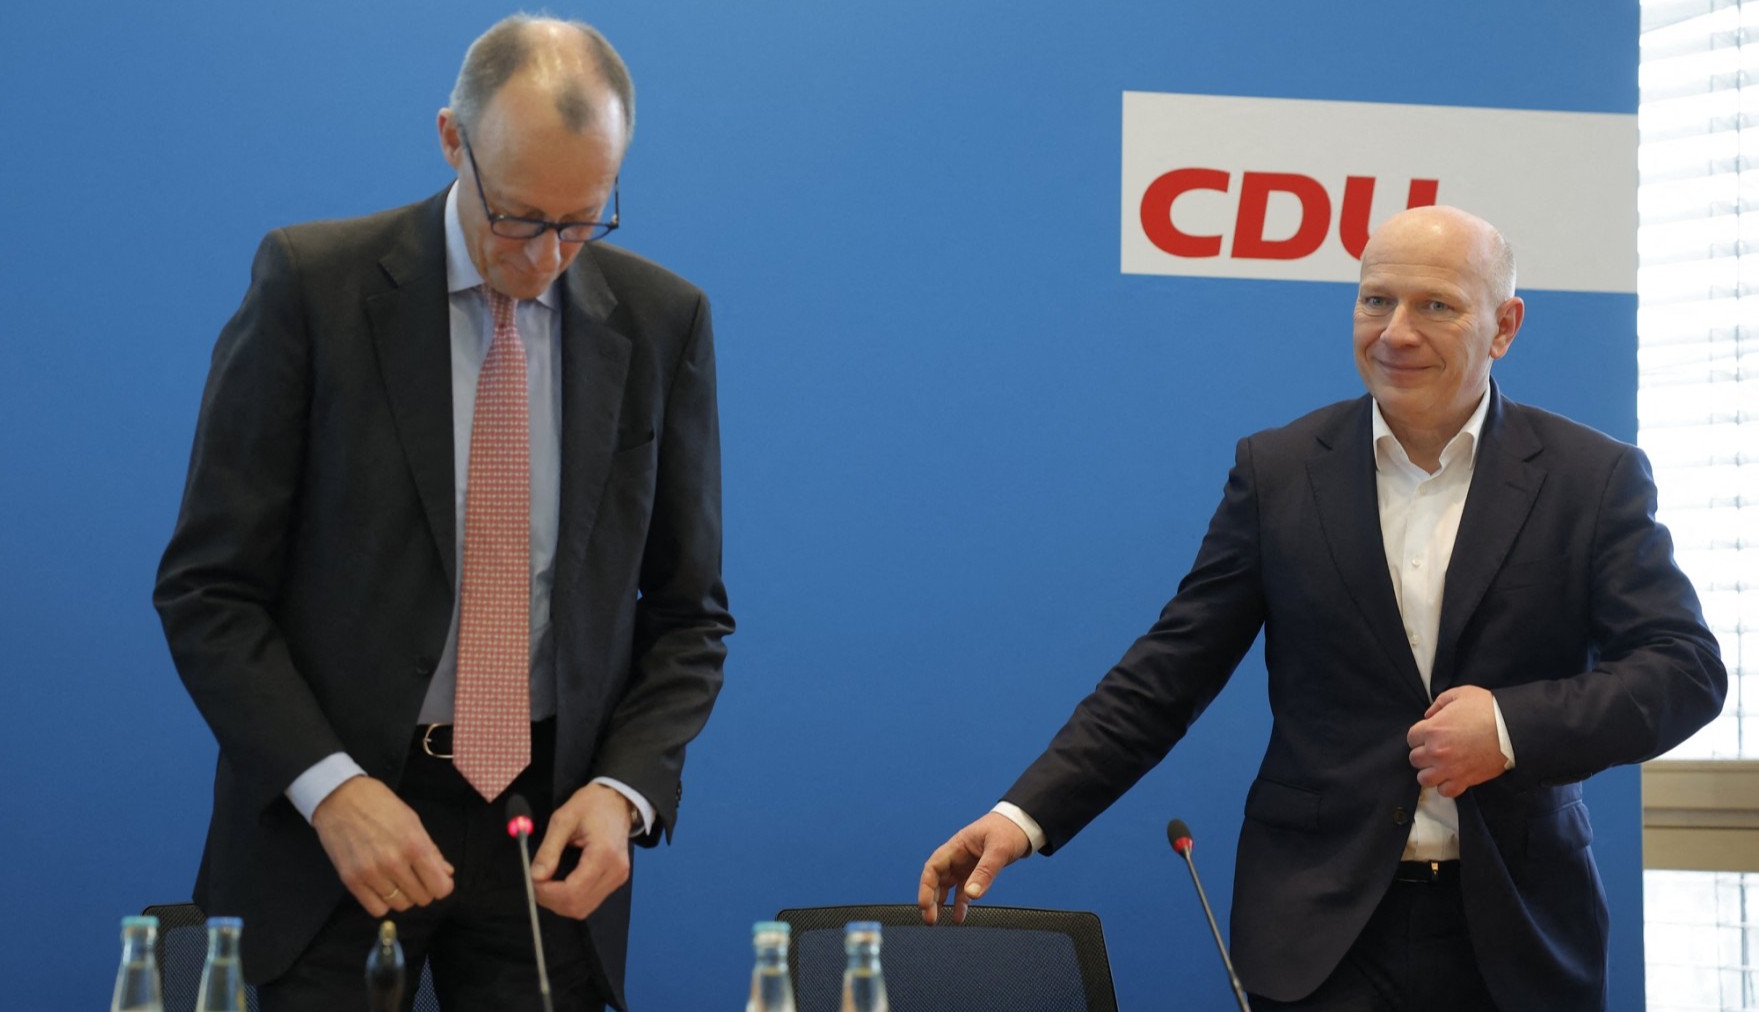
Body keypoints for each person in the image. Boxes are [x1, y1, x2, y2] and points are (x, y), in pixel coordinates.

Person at [916, 205, 1725, 1011]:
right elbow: (1169, 669)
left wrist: (1510, 728)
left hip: (1517, 930)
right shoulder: (1278, 471)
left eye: (1434, 306)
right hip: (1316, 930)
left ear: (1503, 326)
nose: (1395, 332)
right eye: (1376, 300)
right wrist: (1024, 815)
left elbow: (1682, 669)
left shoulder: (1590, 478)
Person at [154, 15, 732, 1011]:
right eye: (518, 217)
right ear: (452, 140)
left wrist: (623, 791)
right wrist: (330, 787)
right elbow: (209, 591)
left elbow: (689, 616)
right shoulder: (314, 287)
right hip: (337, 834)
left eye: (583, 219)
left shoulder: (662, 321)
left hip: (544, 834)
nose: (547, 256)